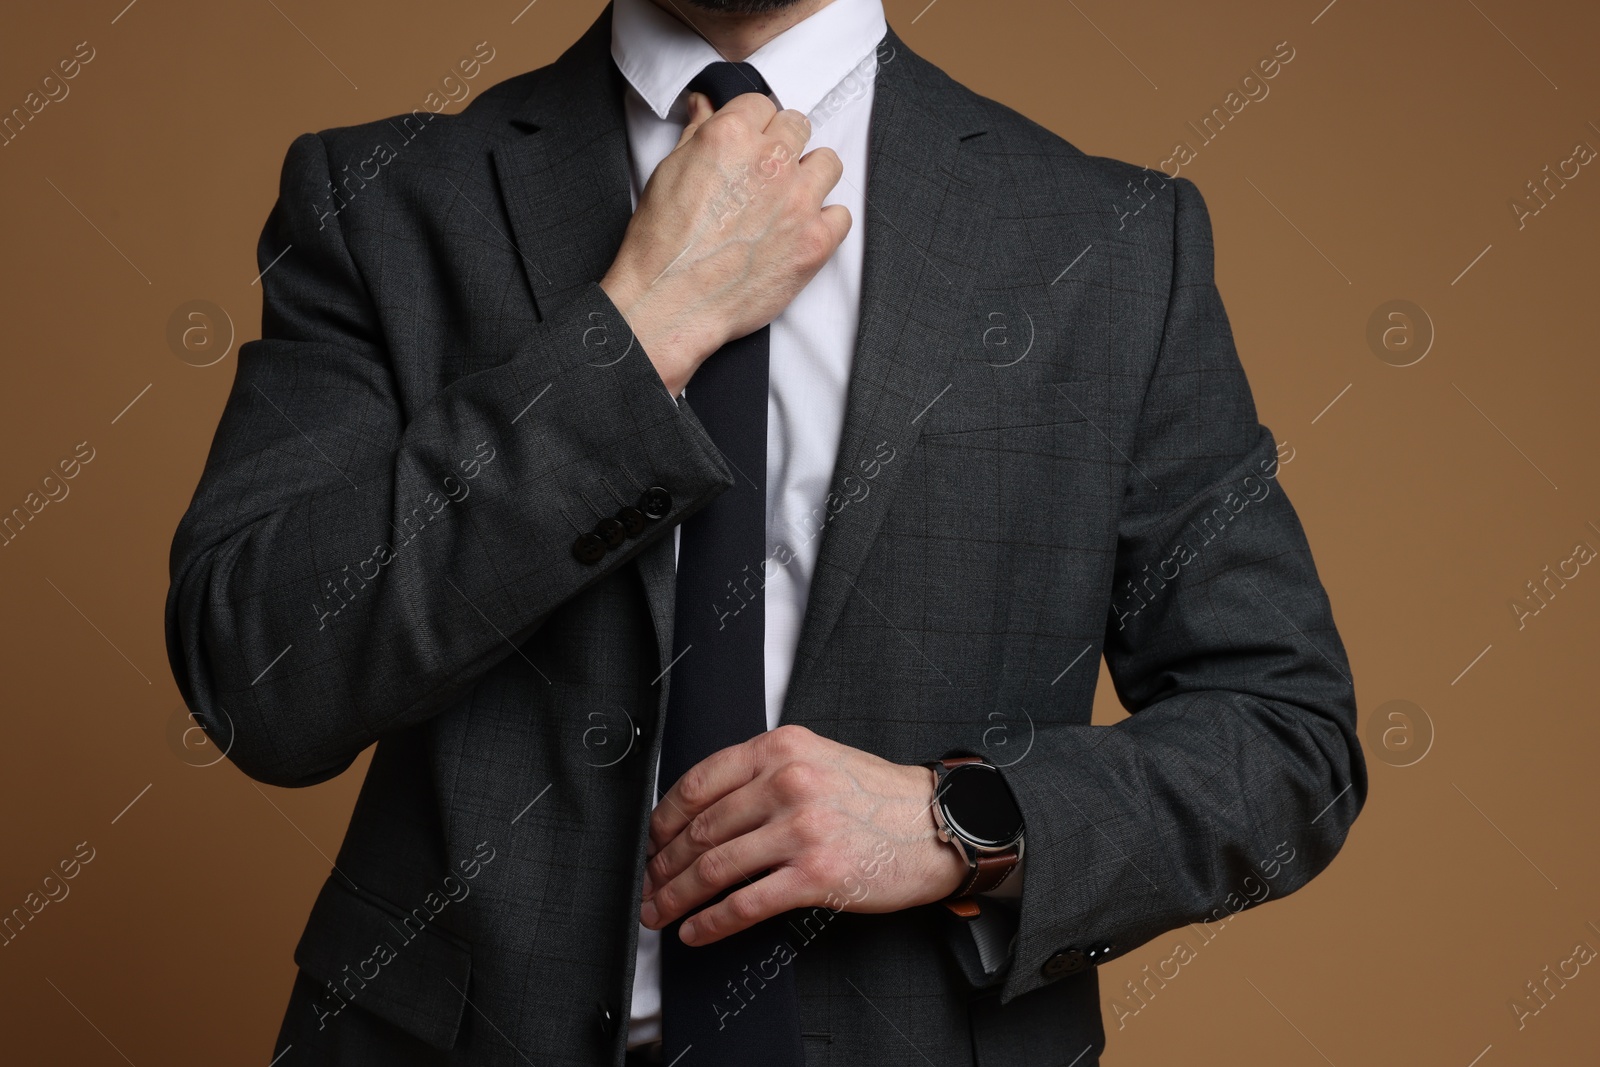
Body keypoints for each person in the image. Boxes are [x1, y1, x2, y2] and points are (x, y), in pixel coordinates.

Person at [164, 0, 1366, 1063]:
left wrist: (958, 819)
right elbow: (261, 675)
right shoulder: (382, 201)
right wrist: (635, 332)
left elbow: (1284, 737)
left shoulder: (1109, 241)